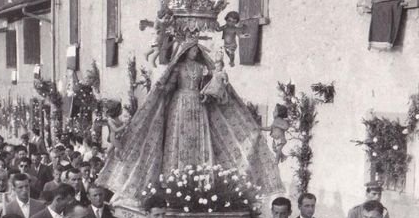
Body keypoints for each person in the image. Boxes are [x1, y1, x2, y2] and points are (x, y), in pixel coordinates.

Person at [97, 41, 282, 203]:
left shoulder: (201, 69)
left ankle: (201, 182)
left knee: (199, 140)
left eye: (197, 50)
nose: (195, 53)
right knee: (178, 140)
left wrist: (211, 88)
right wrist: (162, 87)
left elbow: (209, 85)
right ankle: (173, 181)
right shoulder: (178, 68)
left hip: (198, 104)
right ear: (185, 51)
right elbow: (170, 86)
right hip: (179, 105)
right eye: (192, 50)